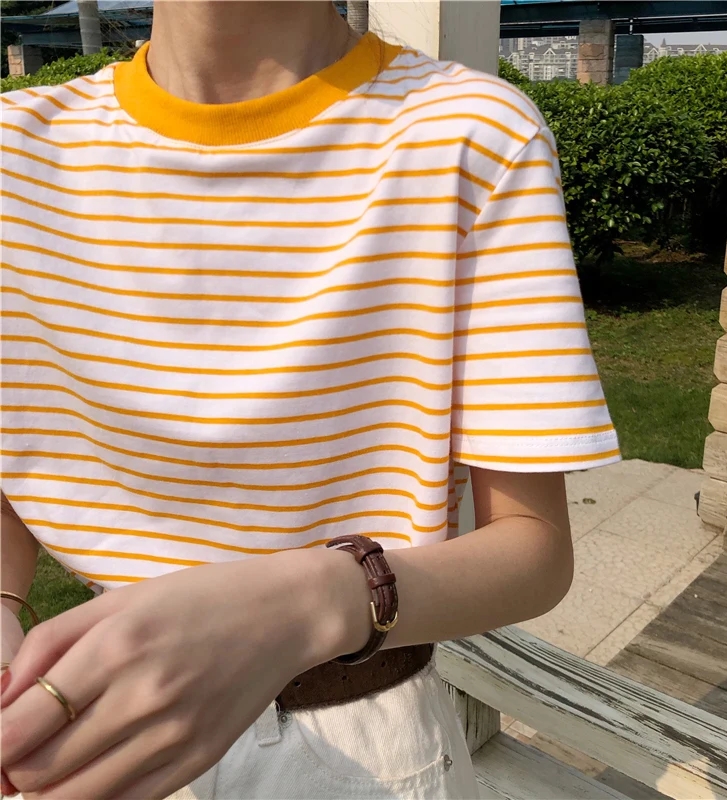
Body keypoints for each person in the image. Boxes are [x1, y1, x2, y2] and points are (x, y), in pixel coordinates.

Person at [0, 2, 620, 798]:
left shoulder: (473, 136)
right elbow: (22, 450)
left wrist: (315, 598)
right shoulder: (16, 152)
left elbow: (534, 551)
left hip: (355, 746)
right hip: (81, 721)